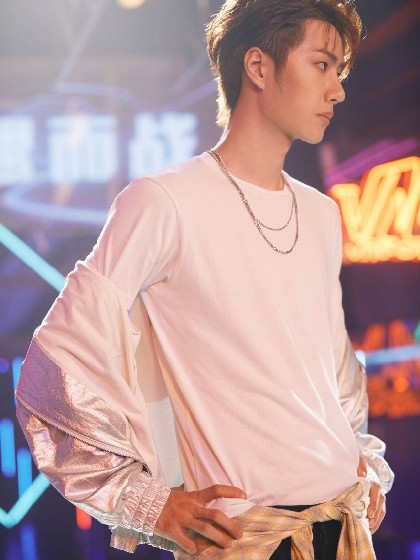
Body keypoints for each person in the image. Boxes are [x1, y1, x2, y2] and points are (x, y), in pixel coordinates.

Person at [16, 1, 394, 559]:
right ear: (258, 67)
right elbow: (56, 367)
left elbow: (331, 371)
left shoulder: (321, 214)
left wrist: (358, 454)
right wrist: (145, 502)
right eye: (321, 65)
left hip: (342, 523)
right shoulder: (163, 201)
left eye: (340, 71)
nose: (337, 90)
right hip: (247, 537)